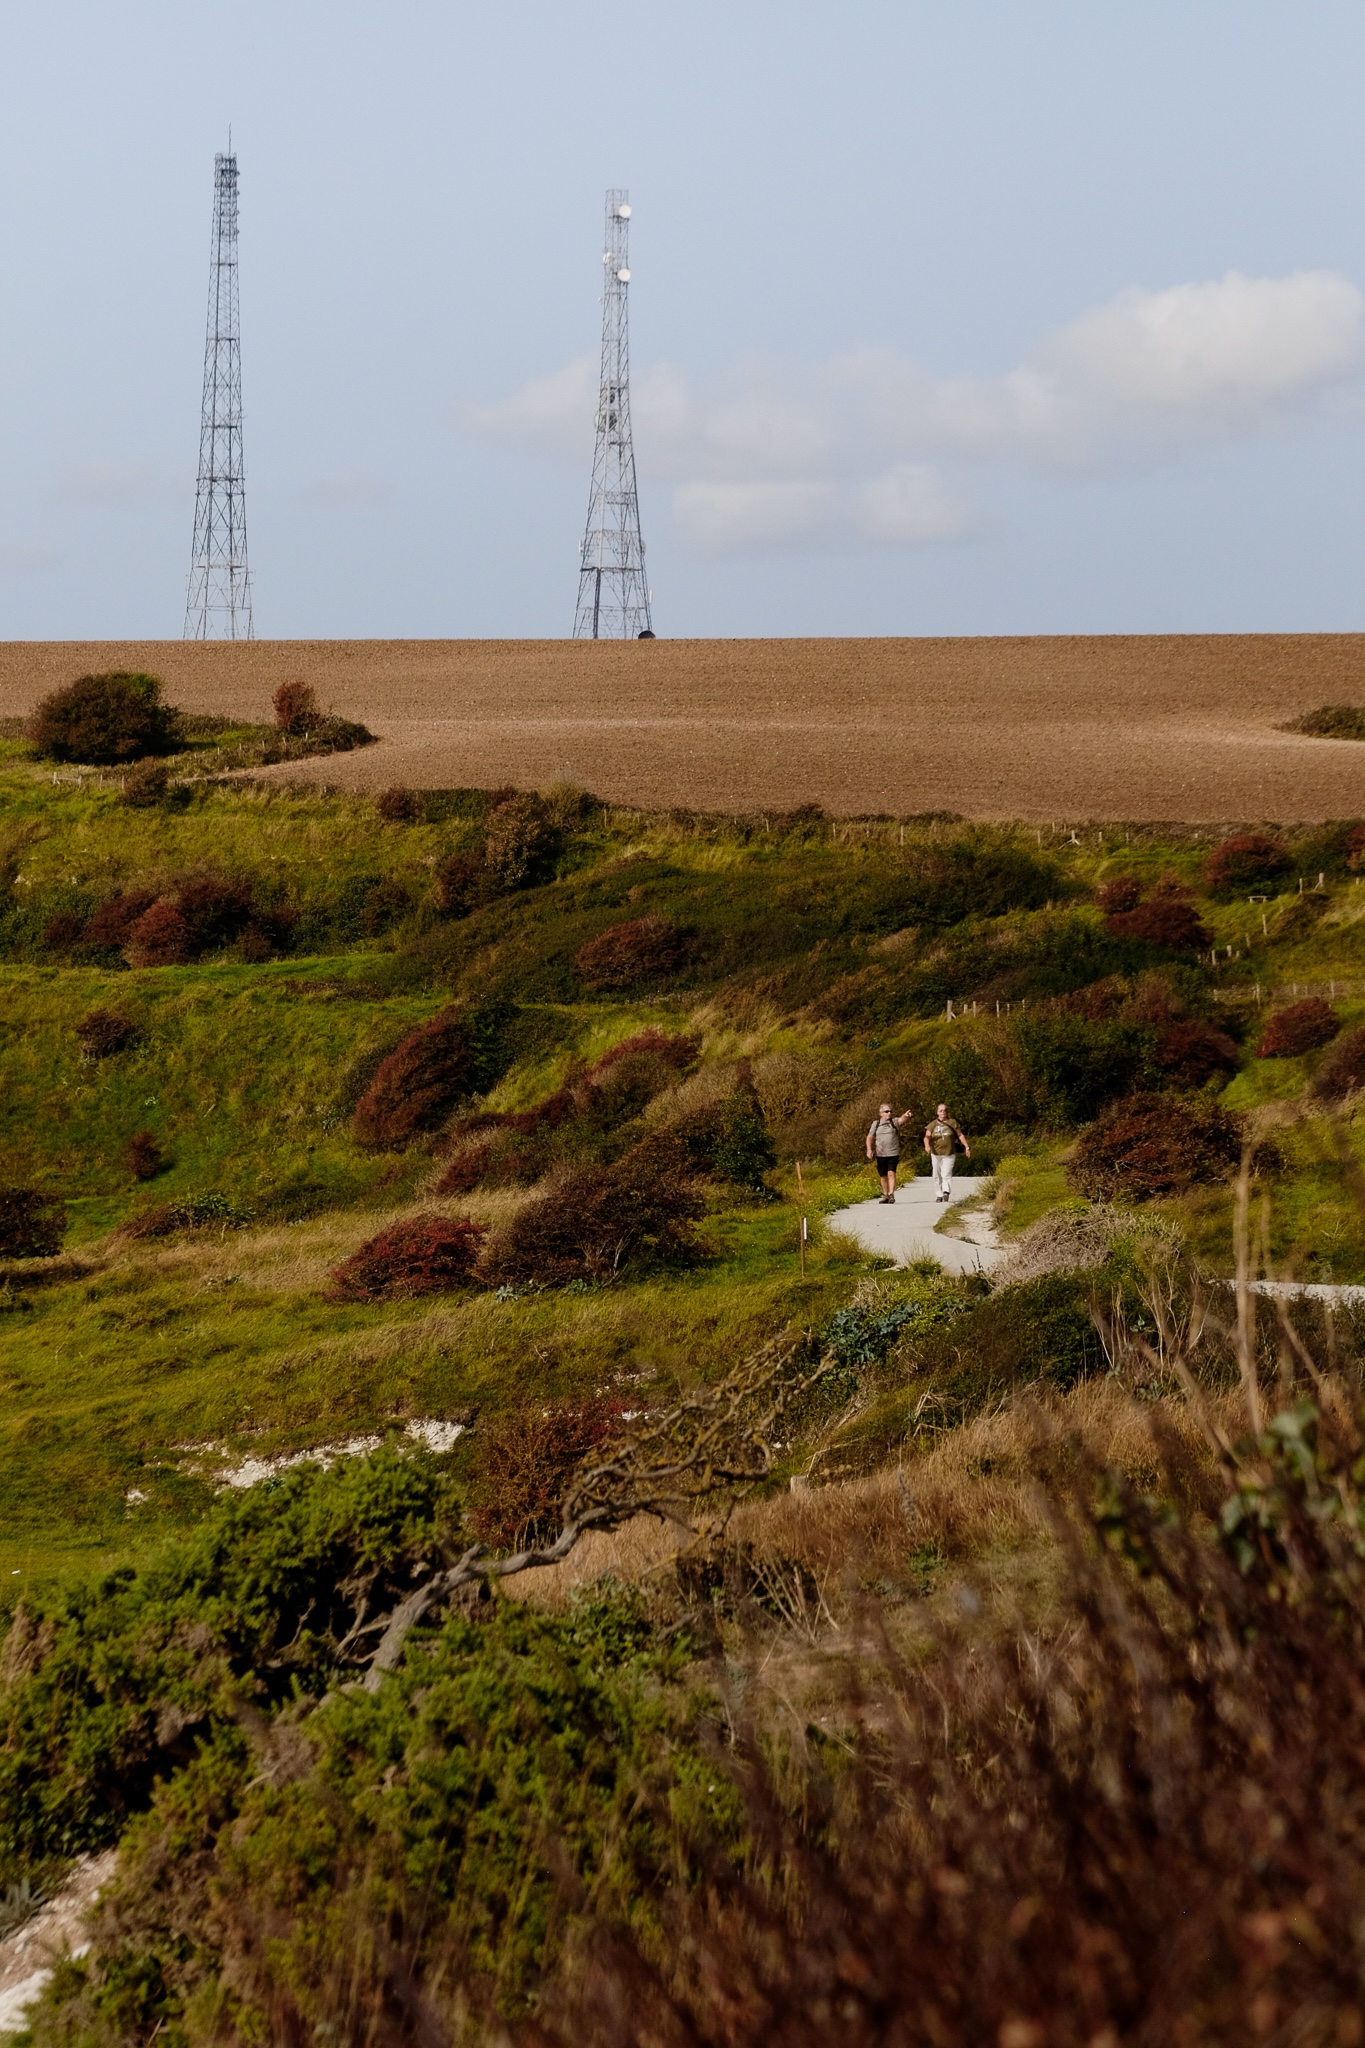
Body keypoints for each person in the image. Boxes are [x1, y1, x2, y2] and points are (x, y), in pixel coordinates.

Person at [865, 1102, 913, 1203]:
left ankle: (891, 1194)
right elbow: (870, 1137)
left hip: (893, 1153)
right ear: (881, 1113)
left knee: (891, 1173)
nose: (889, 1113)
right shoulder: (876, 1123)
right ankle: (886, 1195)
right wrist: (869, 1149)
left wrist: (906, 1115)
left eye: (890, 1111)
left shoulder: (893, 1122)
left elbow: (901, 1120)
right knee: (883, 1176)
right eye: (886, 1111)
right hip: (880, 1153)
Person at [923, 1102, 970, 1203]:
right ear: (937, 1112)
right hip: (936, 1153)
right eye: (940, 1111)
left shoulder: (953, 1122)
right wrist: (927, 1145)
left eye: (944, 1110)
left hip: (949, 1152)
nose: (943, 1112)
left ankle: (946, 1192)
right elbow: (927, 1136)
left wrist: (967, 1147)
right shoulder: (933, 1124)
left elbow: (960, 1135)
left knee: (946, 1173)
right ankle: (939, 1194)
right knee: (936, 1175)